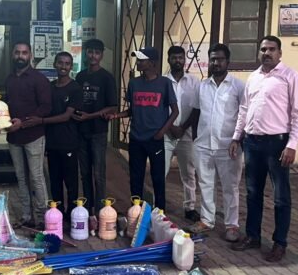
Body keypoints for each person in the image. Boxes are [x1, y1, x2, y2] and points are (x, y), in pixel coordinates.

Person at [229, 35, 298, 262]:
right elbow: (244, 110)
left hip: (277, 144)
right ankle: (253, 236)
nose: (267, 53)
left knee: (281, 196)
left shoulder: (291, 77)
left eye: (272, 49)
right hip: (252, 142)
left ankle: (279, 243)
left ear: (279, 53)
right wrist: (236, 137)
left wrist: (292, 145)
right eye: (263, 49)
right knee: (253, 193)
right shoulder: (253, 77)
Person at [183, 44, 245, 240]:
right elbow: (195, 113)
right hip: (203, 145)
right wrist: (195, 138)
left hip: (229, 146)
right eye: (212, 59)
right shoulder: (202, 86)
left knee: (230, 187)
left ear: (228, 61)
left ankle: (232, 225)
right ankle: (206, 220)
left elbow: (244, 115)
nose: (216, 63)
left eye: (220, 59)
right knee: (206, 184)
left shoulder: (238, 86)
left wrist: (238, 140)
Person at [107, 48, 178, 210]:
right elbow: (132, 110)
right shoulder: (134, 83)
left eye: (141, 60)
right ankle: (136, 210)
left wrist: (162, 132)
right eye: (138, 60)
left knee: (157, 178)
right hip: (136, 138)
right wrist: (116, 116)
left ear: (152, 63)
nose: (138, 63)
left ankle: (160, 212)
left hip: (155, 139)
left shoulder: (164, 84)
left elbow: (175, 111)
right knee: (135, 177)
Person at [26, 52, 83, 217]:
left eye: (67, 63)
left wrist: (40, 121)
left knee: (71, 182)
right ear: (55, 64)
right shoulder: (49, 88)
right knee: (54, 181)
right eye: (60, 63)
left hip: (69, 142)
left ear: (71, 67)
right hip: (51, 142)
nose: (63, 66)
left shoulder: (75, 88)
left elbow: (66, 116)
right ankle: (57, 214)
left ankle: (72, 214)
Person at [5, 41, 52, 228]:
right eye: (17, 52)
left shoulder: (39, 79)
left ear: (30, 55)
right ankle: (26, 216)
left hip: (34, 136)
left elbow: (46, 107)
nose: (20, 56)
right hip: (14, 137)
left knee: (36, 177)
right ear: (12, 54)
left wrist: (22, 123)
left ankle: (42, 218)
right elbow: (6, 105)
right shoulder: (9, 79)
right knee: (21, 177)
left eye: (24, 53)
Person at [73, 39, 117, 212]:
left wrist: (89, 116)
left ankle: (100, 211)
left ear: (101, 55)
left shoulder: (107, 78)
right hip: (81, 132)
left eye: (97, 53)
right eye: (90, 52)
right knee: (84, 174)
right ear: (86, 53)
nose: (93, 56)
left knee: (98, 174)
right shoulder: (80, 76)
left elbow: (113, 107)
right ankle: (87, 210)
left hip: (98, 132)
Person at [163, 45, 203, 221]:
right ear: (169, 60)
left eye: (180, 57)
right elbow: (159, 108)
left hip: (187, 134)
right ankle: (158, 205)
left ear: (184, 60)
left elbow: (196, 109)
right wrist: (171, 127)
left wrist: (183, 128)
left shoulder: (194, 82)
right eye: (174, 58)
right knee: (160, 171)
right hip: (166, 133)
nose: (177, 61)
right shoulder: (162, 81)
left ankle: (190, 207)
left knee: (188, 173)